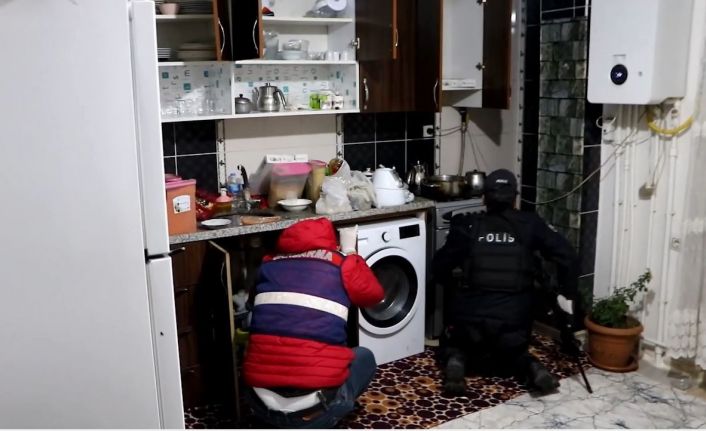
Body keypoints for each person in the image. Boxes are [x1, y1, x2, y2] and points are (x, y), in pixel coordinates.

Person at [432, 169, 579, 396]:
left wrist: (455, 287)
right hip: (514, 322)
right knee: (512, 354)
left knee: (453, 343)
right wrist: (567, 295)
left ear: (484, 198)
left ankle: (456, 361)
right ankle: (531, 366)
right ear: (515, 199)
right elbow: (568, 257)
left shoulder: (468, 225)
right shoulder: (531, 224)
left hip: (471, 321)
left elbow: (438, 267)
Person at [243, 218, 384, 428]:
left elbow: (250, 305)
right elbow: (375, 295)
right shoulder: (341, 263)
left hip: (259, 407)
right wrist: (350, 253)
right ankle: (324, 418)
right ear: (331, 241)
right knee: (364, 357)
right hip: (314, 413)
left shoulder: (268, 264)